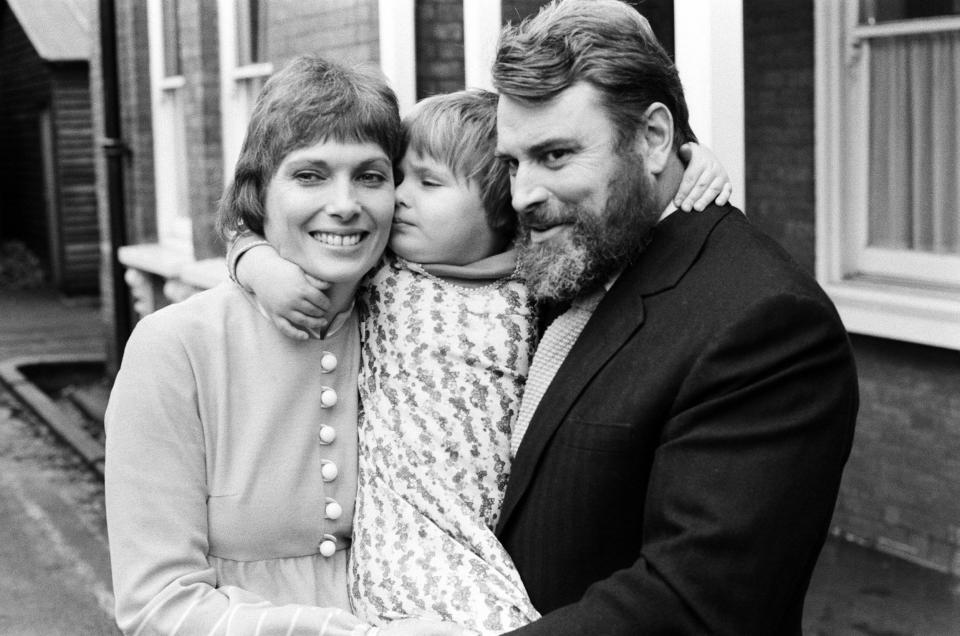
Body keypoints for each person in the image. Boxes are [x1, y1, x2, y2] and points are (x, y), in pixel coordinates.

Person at [229, 93, 731, 633]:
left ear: (500, 207)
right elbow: (261, 223)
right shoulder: (383, 273)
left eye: (428, 182)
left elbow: (627, 234)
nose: (398, 196)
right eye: (397, 177)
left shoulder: (543, 280)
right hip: (401, 548)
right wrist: (257, 264)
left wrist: (691, 161)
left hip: (492, 554)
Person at [485, 1, 860, 634]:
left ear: (654, 138)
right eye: (512, 162)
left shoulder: (765, 323)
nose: (522, 194)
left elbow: (693, 605)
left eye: (555, 156)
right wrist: (251, 256)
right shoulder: (579, 253)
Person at [104, 56, 463, 636]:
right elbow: (157, 606)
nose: (345, 203)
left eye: (371, 176)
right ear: (258, 192)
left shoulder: (417, 323)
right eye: (310, 175)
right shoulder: (176, 347)